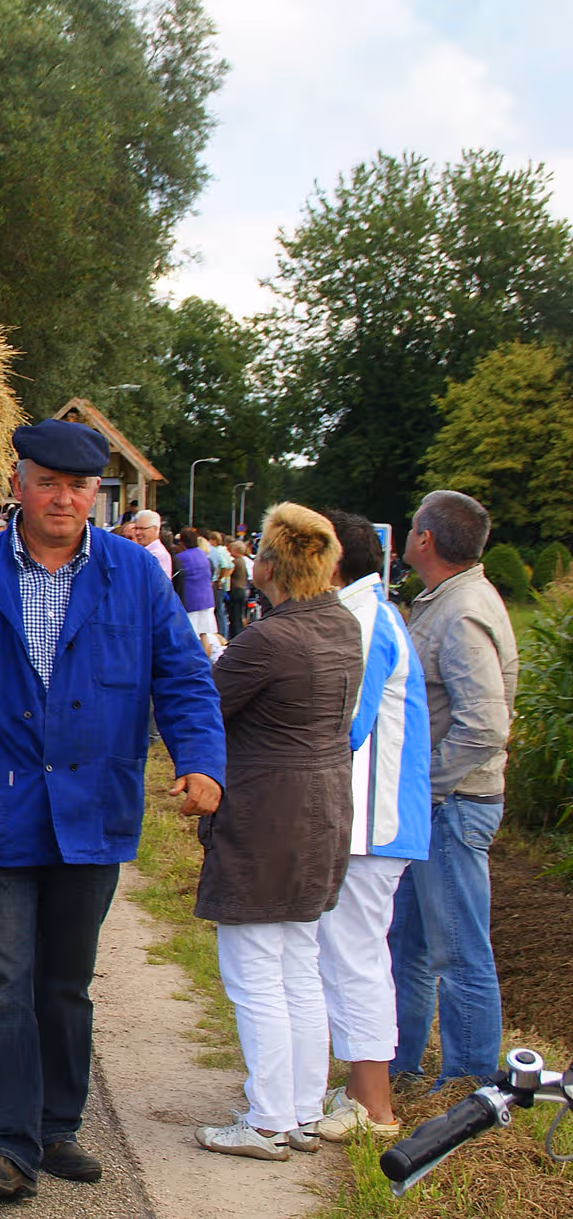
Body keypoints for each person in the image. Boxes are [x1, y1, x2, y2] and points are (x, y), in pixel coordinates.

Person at [0, 418, 224, 1200]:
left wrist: (202, 759)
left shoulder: (135, 577)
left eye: (79, 486)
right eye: (48, 482)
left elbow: (180, 678)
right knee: (4, 975)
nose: (64, 498)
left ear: (96, 495)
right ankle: (2, 1145)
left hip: (92, 807)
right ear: (19, 486)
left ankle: (57, 1123)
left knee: (65, 981)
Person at [191, 504, 363, 1161]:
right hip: (323, 808)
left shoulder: (269, 640)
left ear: (269, 565)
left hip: (266, 811)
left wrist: (214, 655)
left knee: (255, 970)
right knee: (299, 964)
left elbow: (208, 701)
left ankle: (266, 1120)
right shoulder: (341, 624)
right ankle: (300, 1109)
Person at [390, 490, 518, 1086]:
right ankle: (401, 1065)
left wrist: (431, 783)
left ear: (426, 541)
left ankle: (471, 1087)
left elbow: (486, 724)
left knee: (459, 951)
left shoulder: (462, 611)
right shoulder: (445, 600)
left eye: (413, 528)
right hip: (437, 804)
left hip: (455, 803)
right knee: (409, 942)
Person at [311, 508, 430, 1143]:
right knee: (352, 952)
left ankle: (375, 1106)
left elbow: (344, 723)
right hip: (368, 817)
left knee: (356, 954)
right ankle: (362, 1089)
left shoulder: (361, 620)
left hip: (371, 819)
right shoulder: (364, 612)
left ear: (329, 560)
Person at [176, 528, 217, 639]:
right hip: (207, 599)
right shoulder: (203, 555)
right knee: (204, 634)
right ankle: (205, 656)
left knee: (191, 636)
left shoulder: (181, 558)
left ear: (182, 542)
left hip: (191, 600)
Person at [205, 530, 235, 638]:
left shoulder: (217, 551)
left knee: (218, 611)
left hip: (217, 585)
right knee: (220, 610)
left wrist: (220, 579)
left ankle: (221, 635)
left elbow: (225, 567)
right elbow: (231, 566)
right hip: (221, 585)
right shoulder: (224, 551)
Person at [131, 508, 172, 577]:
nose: (137, 533)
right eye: (136, 528)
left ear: (154, 529)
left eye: (142, 529)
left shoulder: (158, 555)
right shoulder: (141, 551)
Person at [228, 540, 254, 632]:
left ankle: (235, 633)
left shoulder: (235, 562)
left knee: (234, 615)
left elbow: (228, 574)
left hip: (235, 590)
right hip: (242, 589)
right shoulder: (243, 560)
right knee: (239, 614)